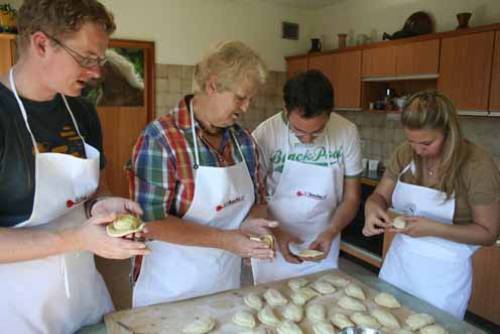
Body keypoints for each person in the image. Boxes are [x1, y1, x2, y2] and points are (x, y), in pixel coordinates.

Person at [0, 1, 149, 333]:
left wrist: (103, 207)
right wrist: (77, 238)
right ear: (41, 44)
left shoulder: (82, 113)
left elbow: (96, 191)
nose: (96, 73)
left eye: (100, 60)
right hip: (15, 313)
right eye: (86, 59)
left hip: (85, 302)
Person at [129, 40, 277, 307]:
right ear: (213, 85)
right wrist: (226, 240)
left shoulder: (244, 141)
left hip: (224, 286)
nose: (246, 107)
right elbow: (150, 222)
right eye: (241, 98)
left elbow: (259, 201)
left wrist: (253, 223)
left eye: (250, 100)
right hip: (170, 289)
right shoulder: (162, 138)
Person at [363, 90, 500, 319]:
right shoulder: (406, 153)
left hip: (443, 278)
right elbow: (380, 196)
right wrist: (372, 208)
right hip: (399, 265)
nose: (417, 150)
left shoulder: (477, 165)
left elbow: (488, 233)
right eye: (411, 141)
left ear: (449, 132)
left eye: (427, 142)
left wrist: (433, 228)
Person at [251, 69, 362, 284]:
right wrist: (276, 234)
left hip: (323, 241)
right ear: (286, 110)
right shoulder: (265, 134)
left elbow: (352, 197)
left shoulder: (347, 132)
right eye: (298, 131)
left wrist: (332, 231)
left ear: (330, 114)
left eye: (318, 131)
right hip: (273, 238)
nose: (308, 139)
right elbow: (255, 196)